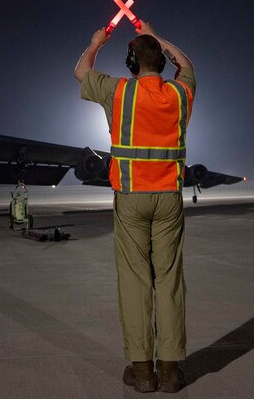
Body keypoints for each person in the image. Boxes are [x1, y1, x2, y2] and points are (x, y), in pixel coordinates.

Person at [74, 22, 195, 393]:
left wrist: (95, 43)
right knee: (169, 279)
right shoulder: (179, 94)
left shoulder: (118, 92)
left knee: (135, 280)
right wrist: (158, 36)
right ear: (163, 60)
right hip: (169, 199)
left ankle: (143, 372)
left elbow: (81, 72)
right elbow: (188, 63)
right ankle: (172, 371)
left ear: (130, 62)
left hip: (130, 198)